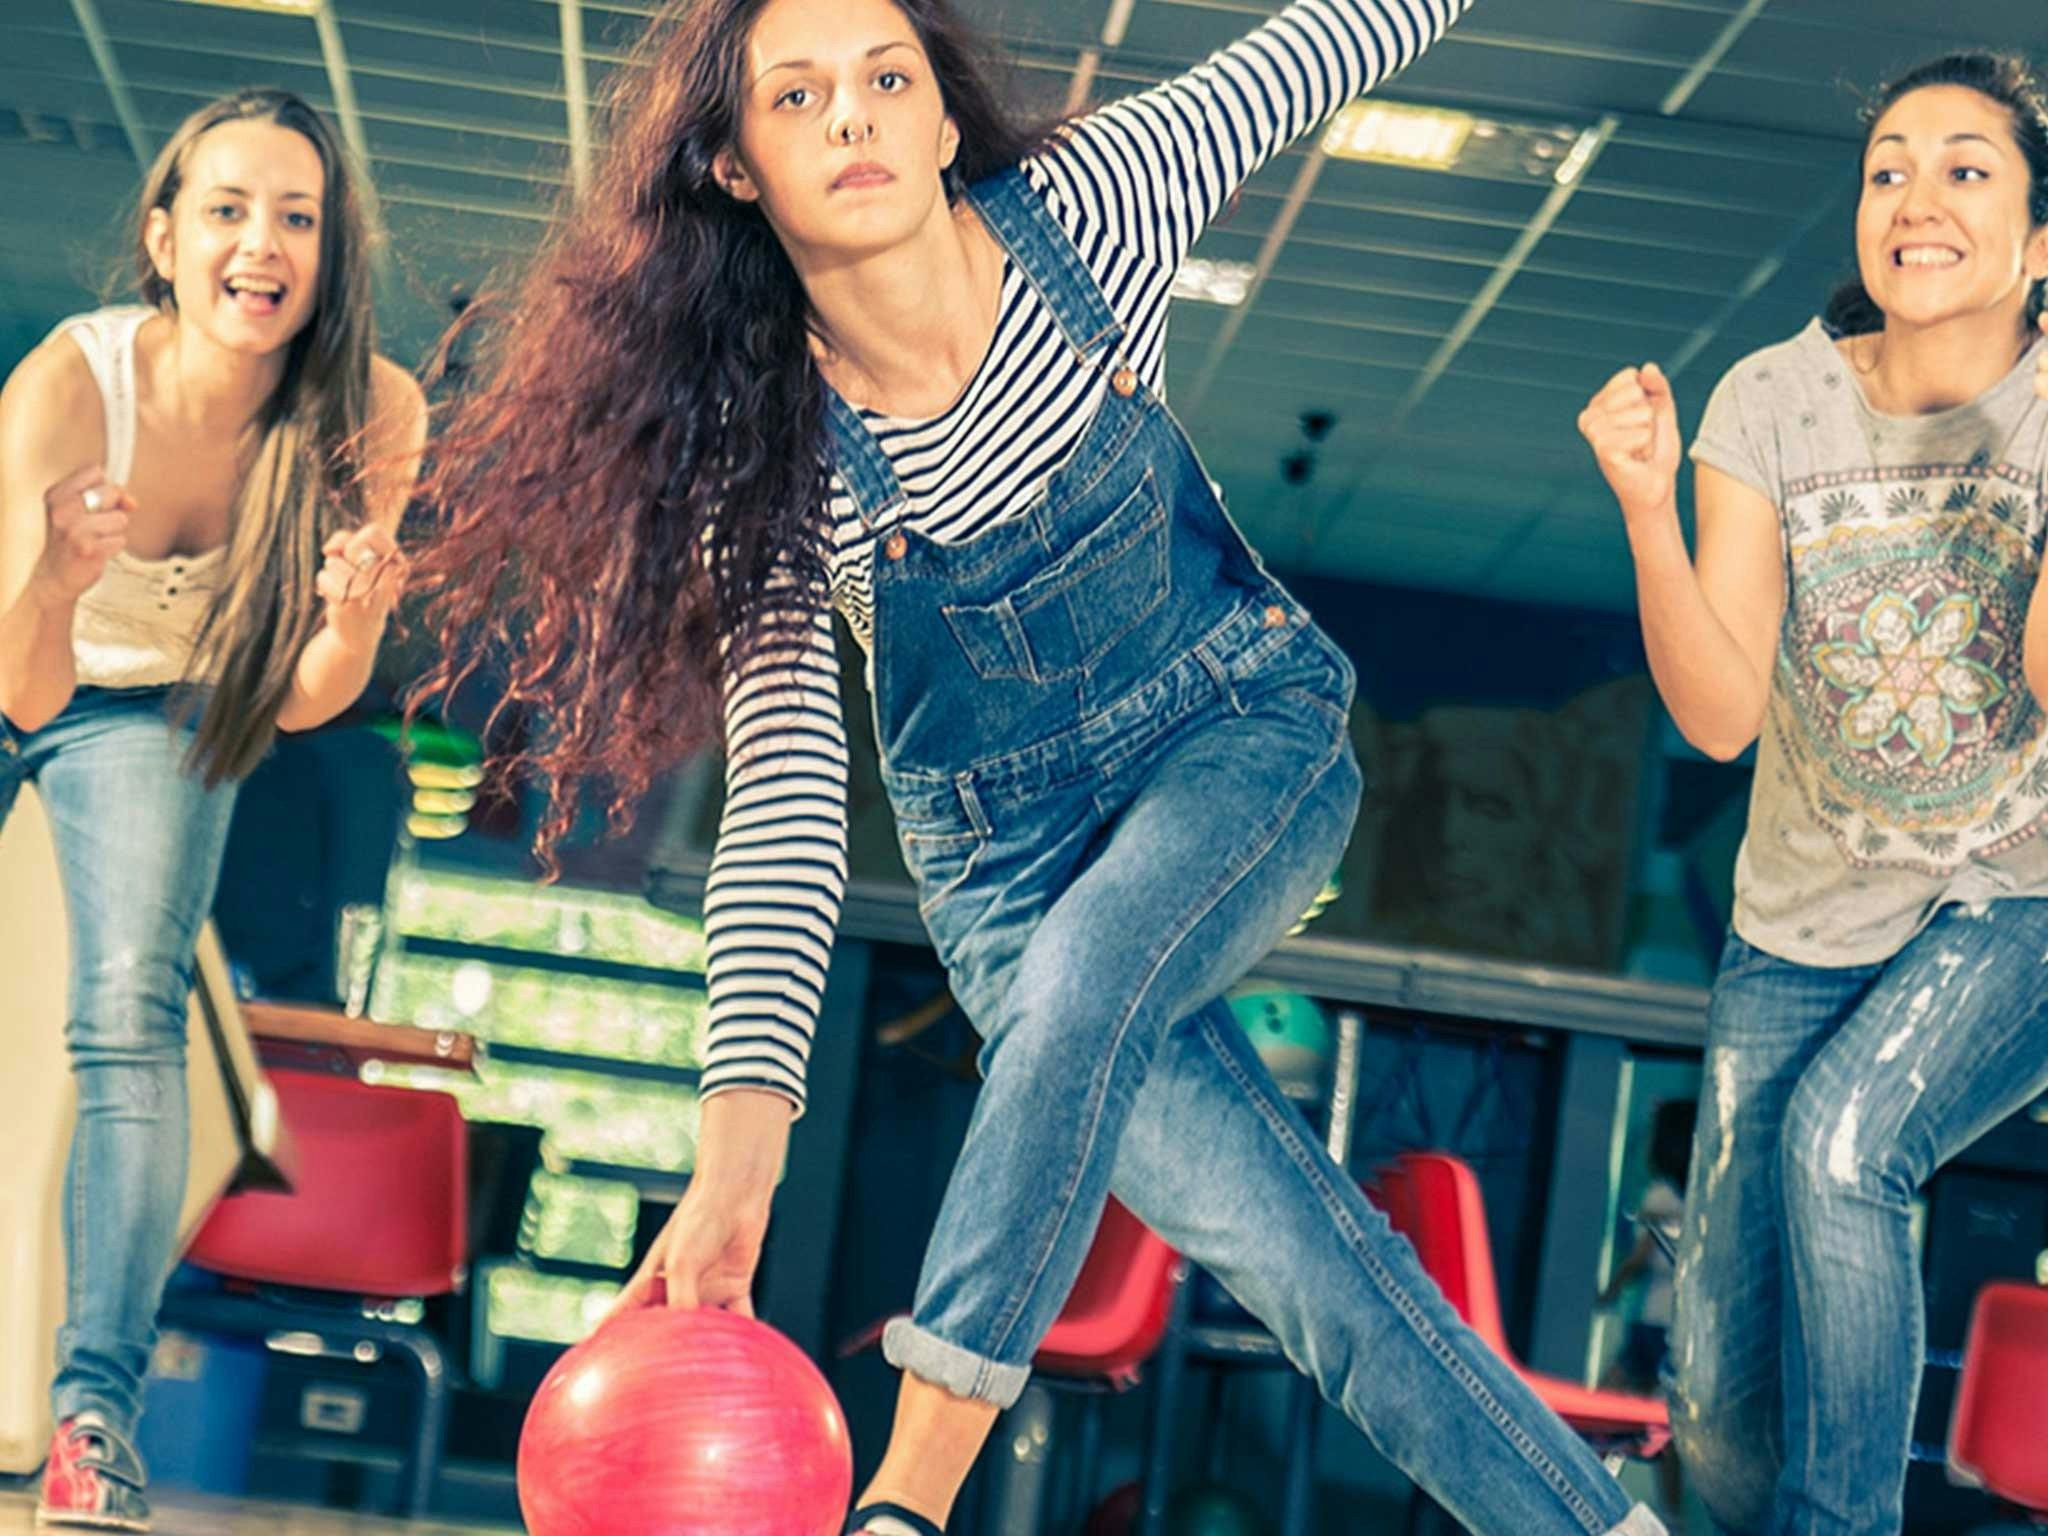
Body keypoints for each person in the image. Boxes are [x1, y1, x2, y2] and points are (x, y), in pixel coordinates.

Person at [414, 1, 1665, 1532]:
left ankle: (909, 1502)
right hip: (1006, 881)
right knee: (1317, 1272)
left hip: (1239, 740)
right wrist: (732, 1170)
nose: (855, 116)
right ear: (737, 167)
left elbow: (1322, 45)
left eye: (888, 79)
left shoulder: (1098, 209)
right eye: (796, 98)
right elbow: (792, 810)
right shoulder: (775, 460)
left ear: (946, 120)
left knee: (1082, 994)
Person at [1577, 51, 2048, 1536]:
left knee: (1848, 1145)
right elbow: (1717, 718)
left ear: (2041, 246)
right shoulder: (1772, 399)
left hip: (2017, 900)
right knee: (1719, 1392)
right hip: (1799, 918)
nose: (1916, 196)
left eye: (1968, 168)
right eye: (1888, 167)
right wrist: (1650, 513)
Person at [0, 88, 426, 1532]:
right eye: (231, 210)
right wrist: (57, 571)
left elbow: (299, 700)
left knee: (127, 1016)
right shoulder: (71, 387)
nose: (264, 243)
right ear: (166, 238)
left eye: (297, 217)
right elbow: (26, 686)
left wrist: (357, 623)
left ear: (330, 248)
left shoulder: (371, 410)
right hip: (24, 655)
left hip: (165, 706)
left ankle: (91, 1422)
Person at [1597, 1099, 1694, 1525]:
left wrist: (1610, 1291)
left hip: (1651, 1325)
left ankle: (1589, 1478)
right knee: (1666, 1430)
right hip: (1680, 1329)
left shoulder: (1659, 1195)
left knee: (1606, 1405)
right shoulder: (1703, 1203)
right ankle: (1674, 1518)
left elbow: (1639, 1258)